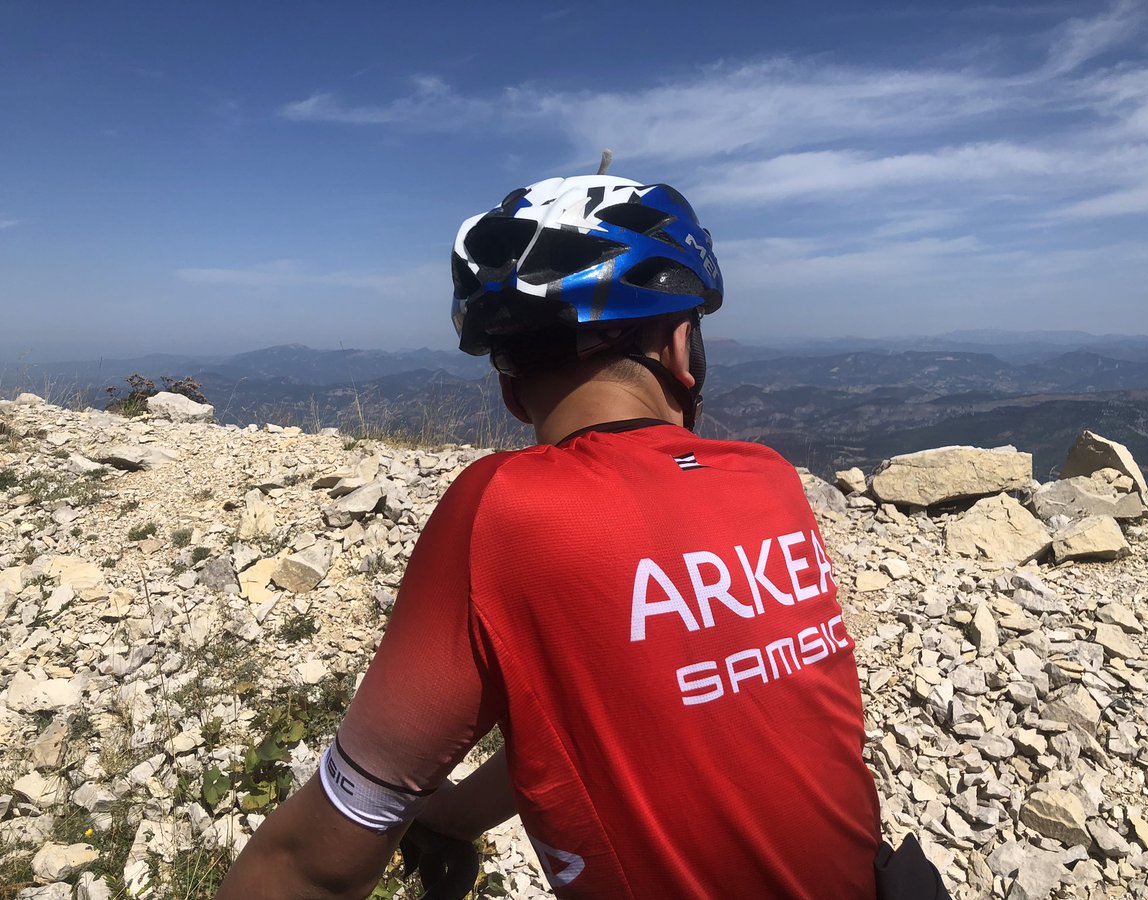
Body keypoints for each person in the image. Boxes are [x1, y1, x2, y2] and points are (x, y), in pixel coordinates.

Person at [216, 173, 882, 899]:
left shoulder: (503, 509)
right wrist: (457, 818)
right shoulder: (771, 479)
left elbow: (314, 862)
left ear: (510, 390)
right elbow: (625, 710)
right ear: (681, 348)